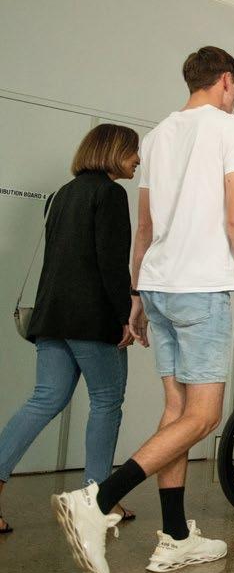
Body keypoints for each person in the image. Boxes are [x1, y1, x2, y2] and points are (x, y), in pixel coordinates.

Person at [51, 46, 234, 573]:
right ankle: (97, 501)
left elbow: (145, 228)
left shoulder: (155, 137)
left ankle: (174, 536)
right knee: (204, 416)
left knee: (176, 411)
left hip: (159, 287)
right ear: (227, 80)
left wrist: (137, 296)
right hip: (201, 288)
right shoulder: (231, 129)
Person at [0, 125, 140, 535]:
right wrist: (125, 315)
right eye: (133, 150)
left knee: (44, 399)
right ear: (113, 151)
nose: (138, 159)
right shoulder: (110, 194)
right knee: (107, 401)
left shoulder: (60, 195)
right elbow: (110, 262)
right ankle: (97, 500)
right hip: (92, 320)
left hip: (51, 318)